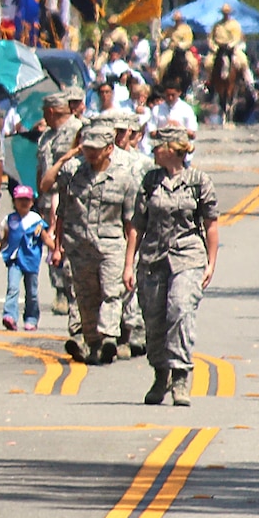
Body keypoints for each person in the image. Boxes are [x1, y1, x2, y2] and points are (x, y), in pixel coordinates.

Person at [123, 124, 220, 408]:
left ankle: (180, 376)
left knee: (179, 310)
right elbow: (136, 226)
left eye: (158, 147)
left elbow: (211, 225)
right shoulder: (150, 180)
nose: (153, 152)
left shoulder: (198, 181)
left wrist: (211, 263)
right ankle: (160, 374)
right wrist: (129, 264)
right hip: (153, 258)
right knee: (153, 318)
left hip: (187, 256)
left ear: (172, 150)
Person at [48, 124, 136, 364]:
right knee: (86, 298)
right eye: (86, 148)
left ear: (109, 149)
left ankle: (109, 336)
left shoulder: (124, 178)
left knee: (111, 292)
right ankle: (93, 343)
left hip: (111, 246)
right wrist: (58, 246)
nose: (90, 153)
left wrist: (129, 262)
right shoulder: (72, 173)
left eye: (96, 149)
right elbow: (60, 209)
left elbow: (131, 224)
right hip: (79, 247)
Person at [0, 187, 47, 332]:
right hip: (15, 259)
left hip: (30, 260)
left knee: (31, 291)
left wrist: (55, 249)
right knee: (13, 288)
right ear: (14, 201)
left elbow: (44, 237)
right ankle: (10, 316)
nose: (24, 203)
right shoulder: (10, 219)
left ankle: (31, 318)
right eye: (20, 200)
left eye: (27, 200)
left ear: (32, 202)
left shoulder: (36, 220)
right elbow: (6, 239)